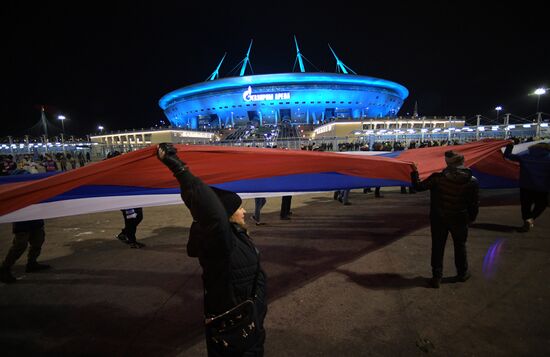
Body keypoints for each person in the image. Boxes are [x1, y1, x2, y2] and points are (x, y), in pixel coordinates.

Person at [156, 143, 267, 356]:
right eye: (238, 207)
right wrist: (180, 169)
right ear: (227, 214)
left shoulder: (236, 235)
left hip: (249, 322)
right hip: (234, 330)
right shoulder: (220, 242)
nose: (244, 210)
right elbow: (211, 212)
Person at [411, 150, 479, 288]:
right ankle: (462, 273)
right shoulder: (472, 181)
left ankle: (436, 277)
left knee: (437, 246)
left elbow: (418, 187)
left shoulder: (437, 178)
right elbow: (474, 203)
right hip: (460, 218)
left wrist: (414, 171)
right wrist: (471, 218)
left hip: (439, 218)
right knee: (460, 245)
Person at [504, 142, 550, 232]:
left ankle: (527, 219)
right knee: (541, 204)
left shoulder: (525, 155)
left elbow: (507, 156)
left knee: (526, 205)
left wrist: (509, 146)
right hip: (543, 186)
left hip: (526, 185)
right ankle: (531, 218)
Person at [0, 219, 51, 284]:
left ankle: (32, 263)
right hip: (22, 223)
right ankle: (4, 269)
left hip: (37, 221)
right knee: (20, 246)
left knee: (38, 240)